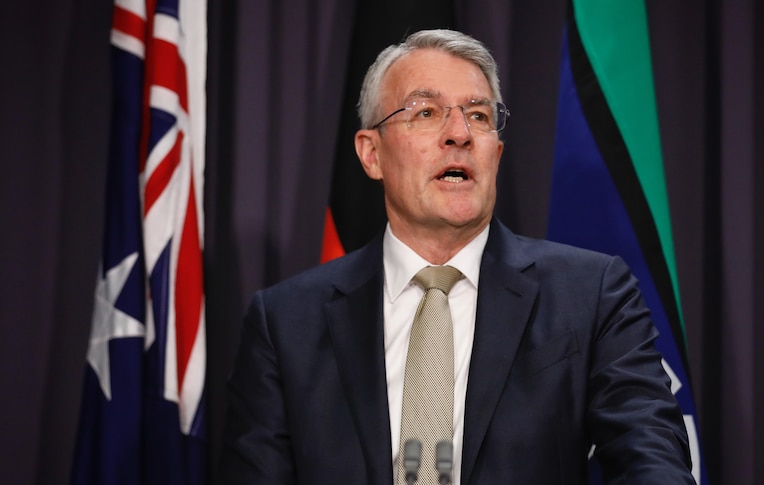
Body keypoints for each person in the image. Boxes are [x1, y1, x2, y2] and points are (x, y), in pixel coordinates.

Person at [219, 29, 695, 484]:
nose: (459, 134)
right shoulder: (285, 323)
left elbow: (649, 455)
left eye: (480, 116)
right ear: (371, 155)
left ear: (497, 154)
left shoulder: (592, 295)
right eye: (426, 113)